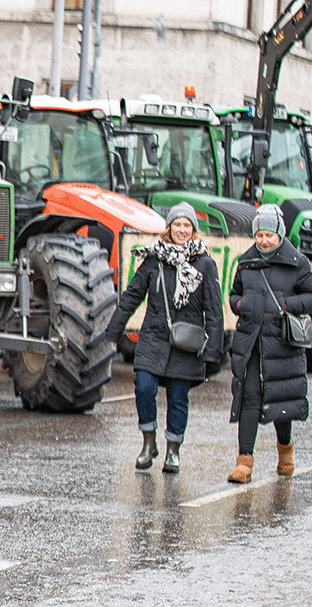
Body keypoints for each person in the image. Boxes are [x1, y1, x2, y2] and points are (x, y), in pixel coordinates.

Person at [103, 202, 223, 473]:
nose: (182, 230)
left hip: (186, 342)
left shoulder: (205, 263)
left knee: (178, 398)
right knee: (144, 387)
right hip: (153, 337)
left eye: (187, 225)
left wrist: (213, 350)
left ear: (193, 230)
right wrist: (113, 331)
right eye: (177, 225)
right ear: (169, 228)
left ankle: (173, 451)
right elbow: (132, 295)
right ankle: (148, 444)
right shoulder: (154, 260)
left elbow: (214, 310)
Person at [225, 203, 312, 483]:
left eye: (269, 235)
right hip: (251, 343)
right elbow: (234, 294)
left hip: (282, 344)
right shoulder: (246, 262)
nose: (263, 240)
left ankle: (285, 452)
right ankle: (244, 462)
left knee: (280, 403)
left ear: (280, 234)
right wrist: (239, 304)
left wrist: (288, 305)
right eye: (259, 234)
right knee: (248, 399)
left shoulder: (298, 263)